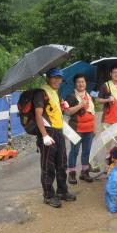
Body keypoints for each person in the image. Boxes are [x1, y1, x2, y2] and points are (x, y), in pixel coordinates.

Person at [33, 68, 76, 208]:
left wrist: (63, 105)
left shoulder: (55, 93)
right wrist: (44, 135)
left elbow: (54, 112)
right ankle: (48, 195)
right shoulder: (41, 92)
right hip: (48, 133)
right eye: (54, 77)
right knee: (48, 166)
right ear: (48, 78)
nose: (58, 80)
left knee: (62, 163)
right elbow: (38, 115)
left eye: (60, 78)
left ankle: (62, 191)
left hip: (58, 131)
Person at [64, 73, 95, 184]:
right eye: (78, 82)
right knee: (74, 151)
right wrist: (80, 105)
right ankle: (72, 174)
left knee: (86, 151)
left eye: (82, 81)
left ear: (85, 83)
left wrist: (94, 129)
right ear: (75, 84)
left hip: (89, 129)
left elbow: (93, 113)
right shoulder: (70, 96)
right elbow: (68, 112)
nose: (81, 84)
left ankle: (85, 172)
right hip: (76, 128)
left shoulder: (89, 96)